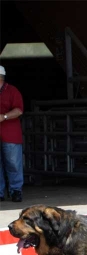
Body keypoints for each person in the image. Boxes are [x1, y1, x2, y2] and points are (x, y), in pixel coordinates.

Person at [0, 65, 24, 202]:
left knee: (13, 163)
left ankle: (16, 190)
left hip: (10, 132)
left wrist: (4, 116)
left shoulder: (12, 91)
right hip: (9, 131)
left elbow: (19, 110)